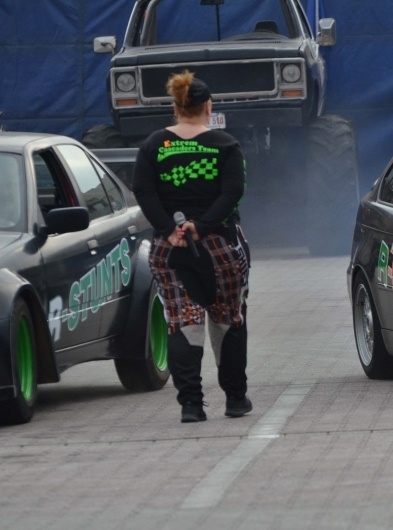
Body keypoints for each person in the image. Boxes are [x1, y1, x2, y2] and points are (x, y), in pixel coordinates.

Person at [132, 70, 252, 423]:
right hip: (221, 248)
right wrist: (201, 227)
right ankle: (235, 399)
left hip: (169, 249)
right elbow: (233, 194)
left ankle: (191, 405)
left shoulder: (153, 145)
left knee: (183, 321)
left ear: (175, 107)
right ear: (208, 107)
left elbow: (144, 191)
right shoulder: (225, 144)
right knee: (228, 317)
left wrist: (169, 229)